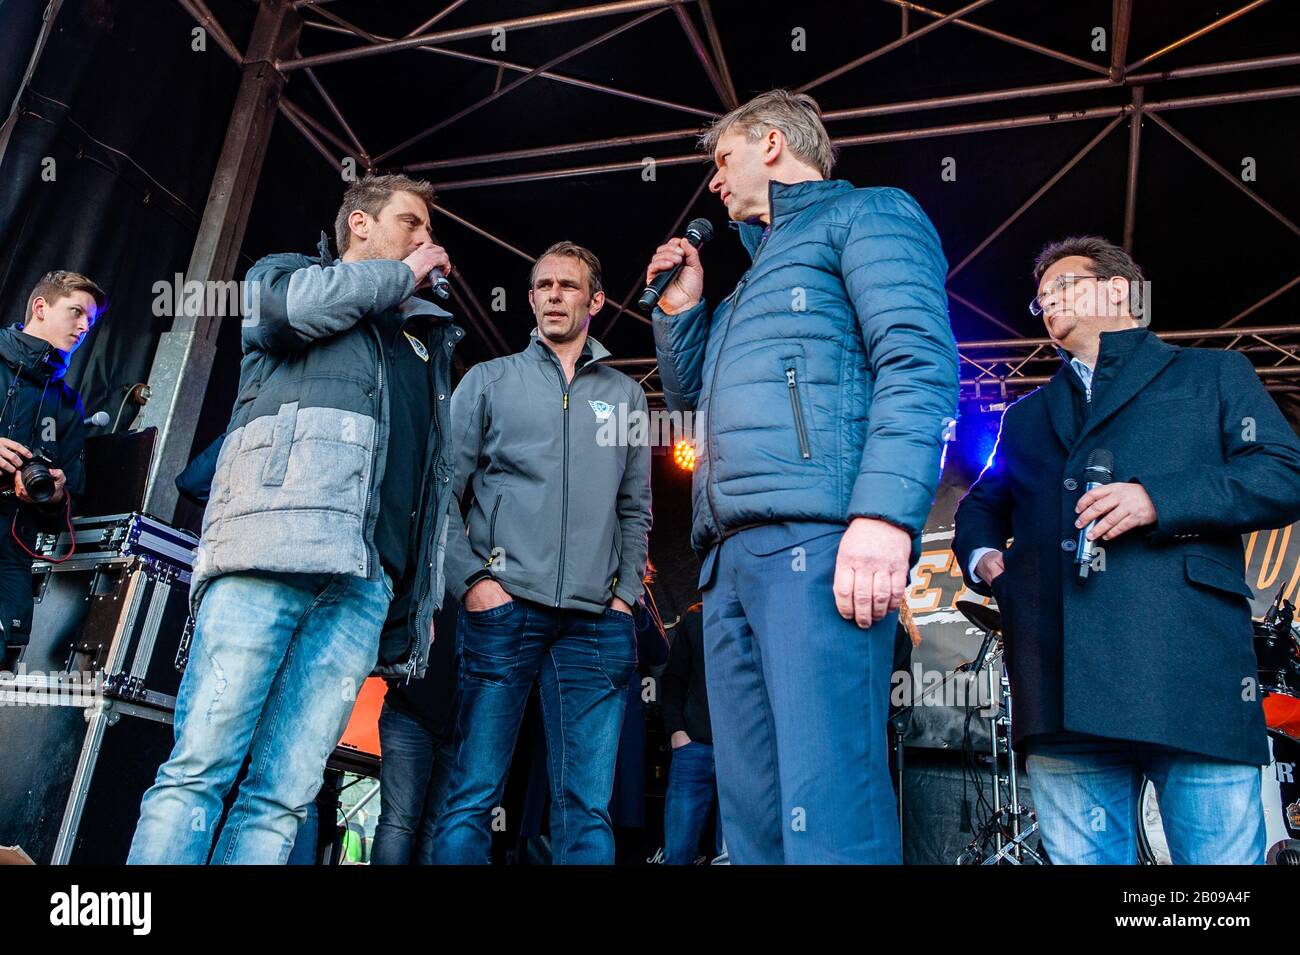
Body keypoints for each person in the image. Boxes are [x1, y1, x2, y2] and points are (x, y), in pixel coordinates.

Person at [648, 89, 958, 864]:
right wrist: (683, 314)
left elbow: (916, 363)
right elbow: (694, 412)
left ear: (776, 142)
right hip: (728, 562)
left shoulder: (870, 215)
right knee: (749, 809)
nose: (713, 182)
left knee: (828, 798)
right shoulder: (748, 283)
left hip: (818, 542)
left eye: (723, 159)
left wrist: (885, 515)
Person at [128, 174, 464, 864]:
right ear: (361, 225)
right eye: (412, 223)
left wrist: (417, 594)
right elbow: (284, 316)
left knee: (283, 792)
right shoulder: (288, 276)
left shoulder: (422, 343)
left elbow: (427, 483)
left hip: (362, 584)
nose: (427, 241)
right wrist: (402, 273)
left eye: (430, 233)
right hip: (268, 552)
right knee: (200, 770)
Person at [952, 235, 1300, 864]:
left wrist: (1157, 500)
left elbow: (1283, 472)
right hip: (1058, 686)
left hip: (1189, 676)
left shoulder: (1213, 373)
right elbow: (981, 505)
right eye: (1040, 296)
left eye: (1062, 285)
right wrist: (986, 564)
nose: (1046, 300)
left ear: (1119, 290)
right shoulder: (1026, 415)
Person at [432, 241, 652, 865]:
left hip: (595, 624)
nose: (554, 295)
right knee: (472, 795)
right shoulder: (488, 380)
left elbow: (635, 507)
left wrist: (623, 597)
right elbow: (441, 491)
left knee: (587, 808)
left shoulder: (628, 397)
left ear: (596, 301)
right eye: (543, 286)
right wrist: (472, 581)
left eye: (568, 286)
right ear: (530, 300)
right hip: (503, 609)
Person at [0, 271, 98, 655]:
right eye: (76, 312)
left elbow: (66, 510)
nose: (83, 326)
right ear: (40, 307)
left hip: (10, 571)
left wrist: (55, 497)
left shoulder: (68, 405)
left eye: (90, 321)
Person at [659, 604, 722, 864]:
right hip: (695, 747)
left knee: (737, 852)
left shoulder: (762, 613)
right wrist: (677, 732)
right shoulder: (696, 619)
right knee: (678, 851)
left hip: (745, 753)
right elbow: (672, 680)